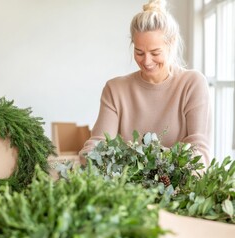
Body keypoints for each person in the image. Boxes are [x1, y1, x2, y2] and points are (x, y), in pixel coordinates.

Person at [80, 0, 211, 166]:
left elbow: (199, 153)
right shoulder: (115, 89)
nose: (147, 61)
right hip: (127, 188)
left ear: (172, 44)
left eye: (155, 53)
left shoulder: (192, 84)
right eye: (139, 52)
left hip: (179, 188)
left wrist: (144, 159)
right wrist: (89, 157)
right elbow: (97, 145)